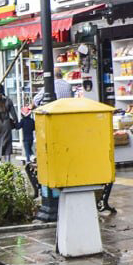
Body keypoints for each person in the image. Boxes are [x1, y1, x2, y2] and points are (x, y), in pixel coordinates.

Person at [29, 77, 74, 221]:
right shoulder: (68, 86)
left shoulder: (50, 85)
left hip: (50, 128)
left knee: (49, 162)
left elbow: (35, 101)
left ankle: (51, 200)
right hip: (66, 127)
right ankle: (61, 191)